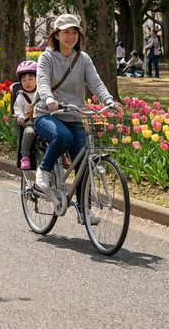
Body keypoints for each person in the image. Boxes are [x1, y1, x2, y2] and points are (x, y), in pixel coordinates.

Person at [33, 13, 119, 225]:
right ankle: (43, 172)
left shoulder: (83, 59)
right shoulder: (46, 57)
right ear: (57, 35)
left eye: (74, 32)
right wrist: (49, 98)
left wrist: (109, 100)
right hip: (47, 114)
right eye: (66, 32)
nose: (70, 36)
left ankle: (84, 210)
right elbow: (42, 81)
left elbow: (95, 83)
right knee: (63, 138)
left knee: (82, 163)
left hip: (74, 114)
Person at [13, 60, 38, 170]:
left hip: (43, 120)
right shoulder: (21, 96)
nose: (27, 82)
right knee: (29, 132)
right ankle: (25, 157)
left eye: (31, 79)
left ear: (38, 80)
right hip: (29, 122)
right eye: (24, 80)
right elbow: (17, 108)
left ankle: (60, 156)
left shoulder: (42, 93)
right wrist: (20, 116)